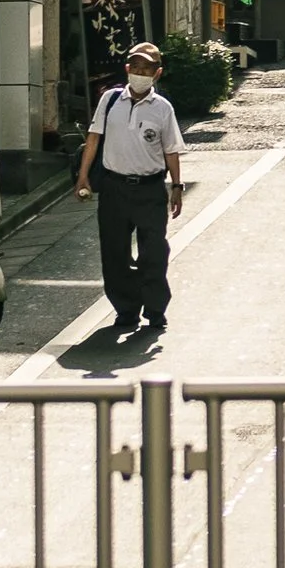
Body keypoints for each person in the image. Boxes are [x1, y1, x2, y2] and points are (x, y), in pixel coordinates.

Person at [74, 37, 184, 342]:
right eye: (135, 66)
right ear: (127, 68)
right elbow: (94, 139)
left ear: (157, 74)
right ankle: (125, 308)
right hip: (113, 187)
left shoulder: (162, 109)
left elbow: (171, 149)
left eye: (147, 68)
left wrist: (176, 185)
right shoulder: (109, 100)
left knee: (154, 251)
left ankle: (155, 309)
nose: (140, 72)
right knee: (114, 252)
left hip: (150, 189)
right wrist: (83, 177)